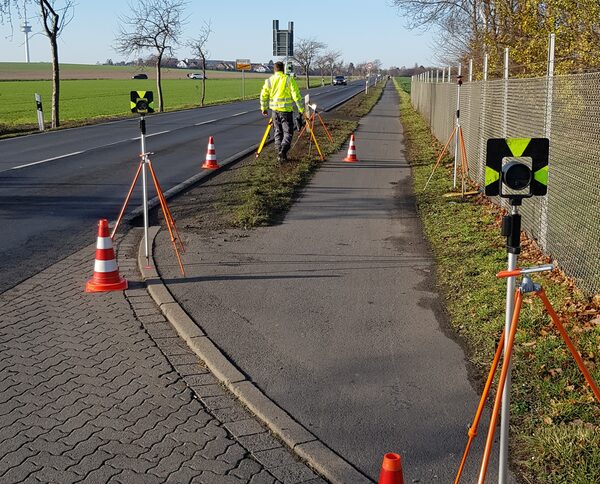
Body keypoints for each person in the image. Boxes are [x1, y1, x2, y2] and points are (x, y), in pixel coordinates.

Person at [260, 61, 304, 162]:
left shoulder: (269, 81)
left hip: (275, 111)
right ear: (283, 69)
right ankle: (283, 151)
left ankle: (279, 154)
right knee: (288, 132)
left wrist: (264, 108)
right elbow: (296, 96)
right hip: (286, 111)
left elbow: (263, 95)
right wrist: (301, 109)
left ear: (274, 69)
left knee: (277, 132)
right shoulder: (289, 80)